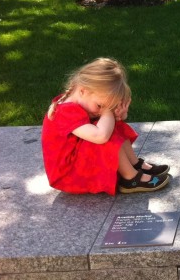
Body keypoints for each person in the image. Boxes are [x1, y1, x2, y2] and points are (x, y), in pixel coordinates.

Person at [42, 58, 171, 195]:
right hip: (68, 176)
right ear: (83, 91)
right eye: (100, 105)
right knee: (106, 135)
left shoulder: (80, 101)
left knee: (112, 126)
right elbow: (100, 136)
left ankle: (133, 164)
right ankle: (130, 179)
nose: (101, 110)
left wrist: (117, 116)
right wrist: (108, 112)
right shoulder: (66, 112)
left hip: (78, 167)